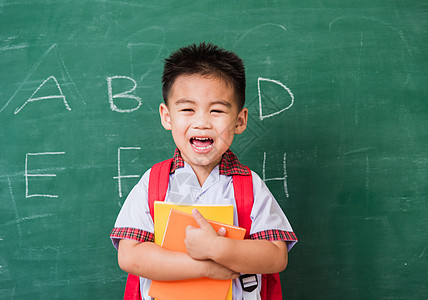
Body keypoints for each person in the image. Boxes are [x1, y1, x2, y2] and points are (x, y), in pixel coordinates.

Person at [110, 42, 297, 299]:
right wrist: (205, 267)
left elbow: (276, 256)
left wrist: (218, 248)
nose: (201, 122)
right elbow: (130, 255)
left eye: (217, 110)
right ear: (167, 116)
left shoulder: (249, 186)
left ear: (240, 121)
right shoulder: (154, 182)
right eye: (187, 109)